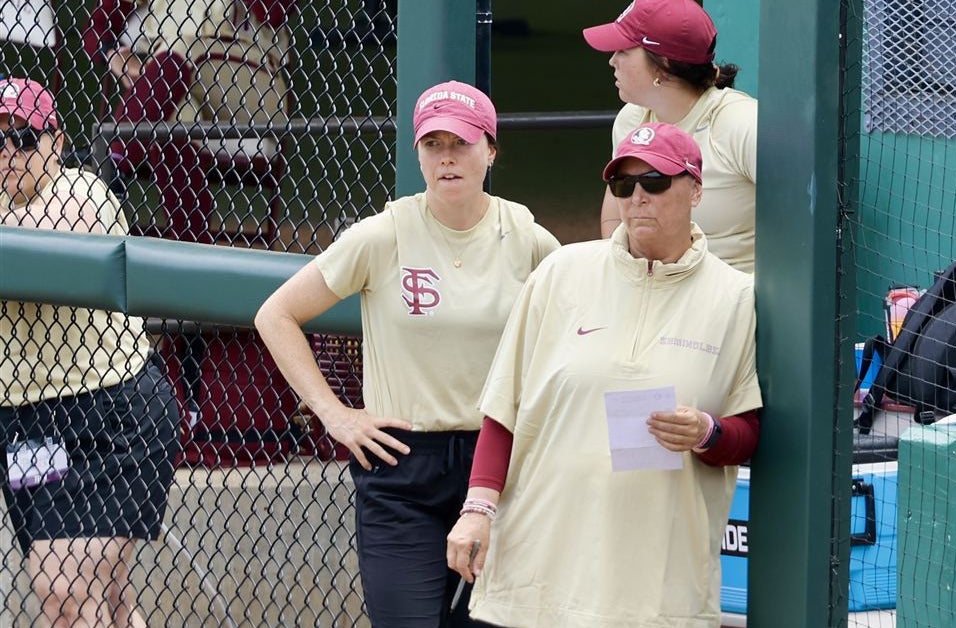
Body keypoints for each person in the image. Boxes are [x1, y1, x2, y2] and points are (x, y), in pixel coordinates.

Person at [255, 80, 560, 627]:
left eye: (461, 143)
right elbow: (275, 315)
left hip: (497, 463)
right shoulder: (382, 234)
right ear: (417, 153)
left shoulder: (525, 236)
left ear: (491, 150)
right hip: (402, 461)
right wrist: (334, 413)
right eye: (433, 144)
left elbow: (574, 333)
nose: (447, 158)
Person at [447, 122, 762, 628]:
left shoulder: (736, 297)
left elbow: (748, 432)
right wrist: (477, 510)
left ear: (696, 190)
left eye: (655, 181)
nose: (637, 198)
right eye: (623, 184)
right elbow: (503, 411)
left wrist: (707, 433)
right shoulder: (559, 273)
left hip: (656, 590)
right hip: (538, 577)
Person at [0, 77, 181, 627]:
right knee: (102, 599)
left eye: (23, 138)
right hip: (27, 424)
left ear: (55, 142)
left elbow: (41, 246)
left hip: (113, 412)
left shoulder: (82, 190)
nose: (8, 152)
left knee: (64, 592)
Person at [82, 0, 294, 243]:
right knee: (174, 118)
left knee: (183, 45)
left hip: (253, 84)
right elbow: (98, 25)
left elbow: (273, 12)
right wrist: (115, 54)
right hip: (173, 83)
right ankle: (194, 247)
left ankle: (112, 162)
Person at [584, 0, 758, 274]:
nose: (612, 60)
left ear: (662, 65)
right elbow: (615, 214)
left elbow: (804, 217)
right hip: (653, 288)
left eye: (624, 50)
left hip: (736, 293)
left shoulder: (741, 123)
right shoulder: (632, 119)